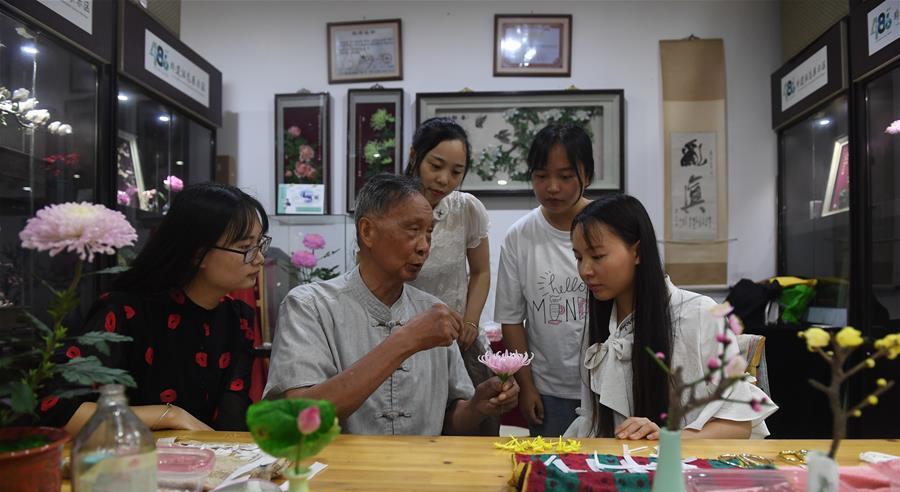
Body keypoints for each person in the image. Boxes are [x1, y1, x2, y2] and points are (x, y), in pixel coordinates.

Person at [263, 174, 518, 435]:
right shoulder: (309, 306)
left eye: (429, 232)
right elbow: (300, 417)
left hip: (421, 462)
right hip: (338, 462)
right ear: (367, 231)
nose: (424, 247)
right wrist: (406, 340)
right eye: (413, 230)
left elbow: (450, 422)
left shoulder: (433, 311)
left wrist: (477, 407)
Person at [43, 183, 270, 434]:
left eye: (260, 244)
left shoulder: (237, 319)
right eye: (245, 248)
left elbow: (231, 417)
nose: (259, 258)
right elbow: (56, 410)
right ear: (198, 253)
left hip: (200, 457)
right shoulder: (126, 311)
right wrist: (169, 415)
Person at [565, 194, 777, 439]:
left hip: (682, 461)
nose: (585, 270)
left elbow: (738, 424)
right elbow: (593, 421)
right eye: (578, 258)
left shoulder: (699, 314)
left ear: (637, 252)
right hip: (615, 459)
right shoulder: (600, 323)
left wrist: (667, 439)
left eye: (597, 256)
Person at [494, 123, 593, 437]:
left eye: (565, 176)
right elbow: (511, 320)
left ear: (587, 176)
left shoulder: (609, 226)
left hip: (607, 386)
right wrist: (526, 386)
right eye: (541, 176)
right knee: (550, 465)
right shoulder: (520, 237)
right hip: (548, 391)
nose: (552, 187)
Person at [404, 118, 491, 358]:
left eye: (456, 172)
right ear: (414, 156)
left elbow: (481, 272)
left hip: (454, 340)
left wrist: (471, 322)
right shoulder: (388, 208)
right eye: (435, 166)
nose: (444, 179)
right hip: (402, 338)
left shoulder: (466, 209)